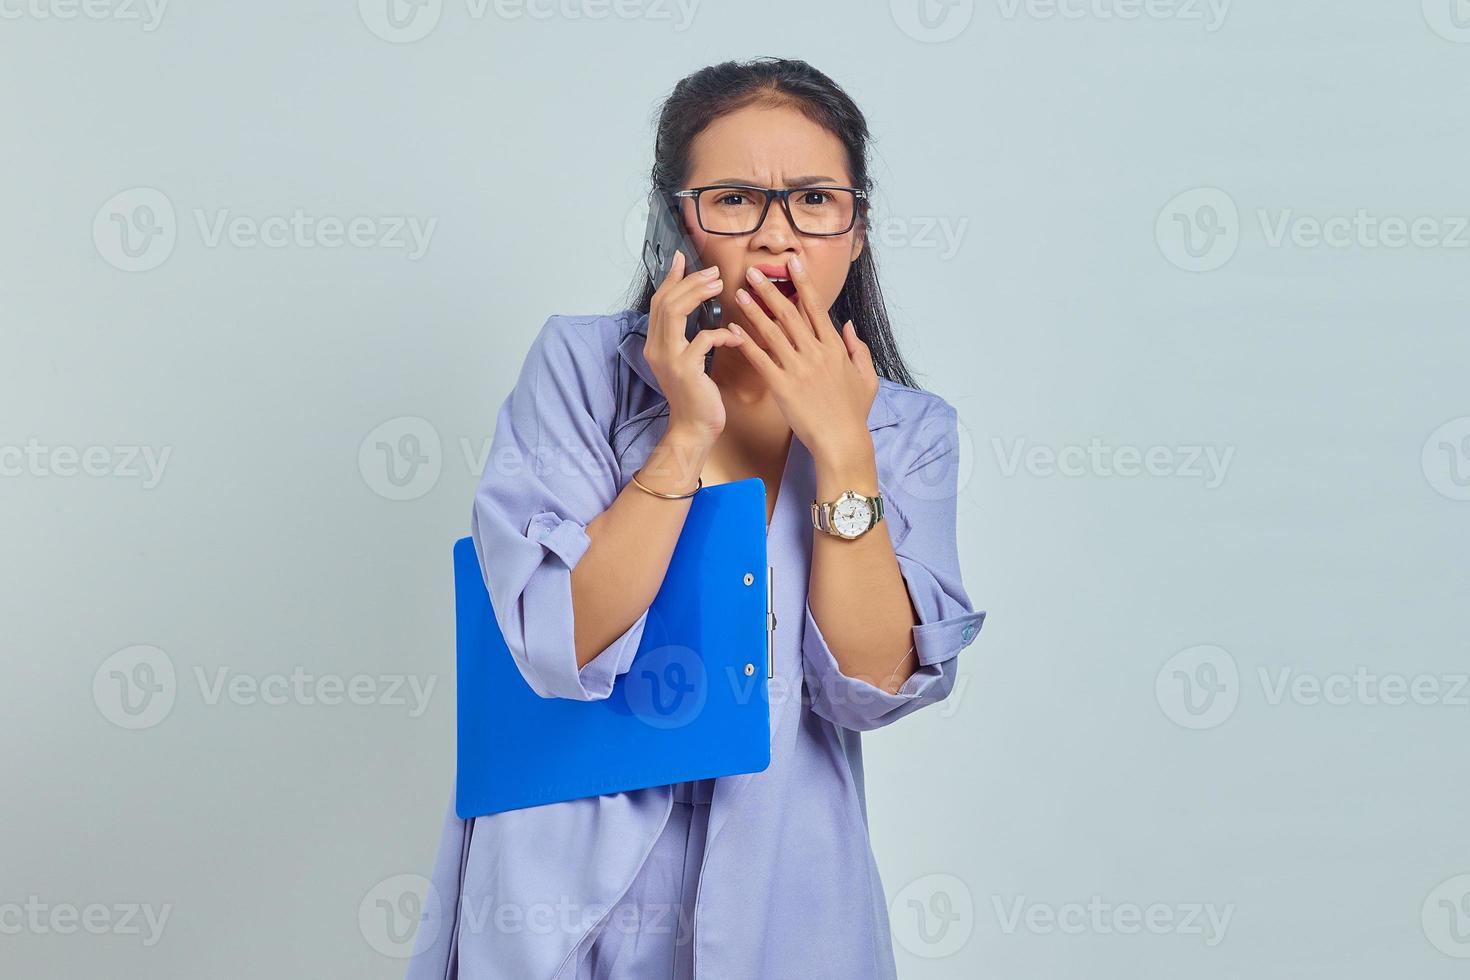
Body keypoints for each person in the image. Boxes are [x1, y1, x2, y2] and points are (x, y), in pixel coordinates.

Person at [406, 57, 986, 980]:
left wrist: (842, 447)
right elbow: (558, 640)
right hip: (561, 877)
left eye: (814, 200)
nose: (776, 238)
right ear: (683, 218)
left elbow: (871, 686)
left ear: (858, 227)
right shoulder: (581, 368)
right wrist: (685, 436)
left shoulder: (909, 432)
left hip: (781, 887)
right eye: (734, 201)